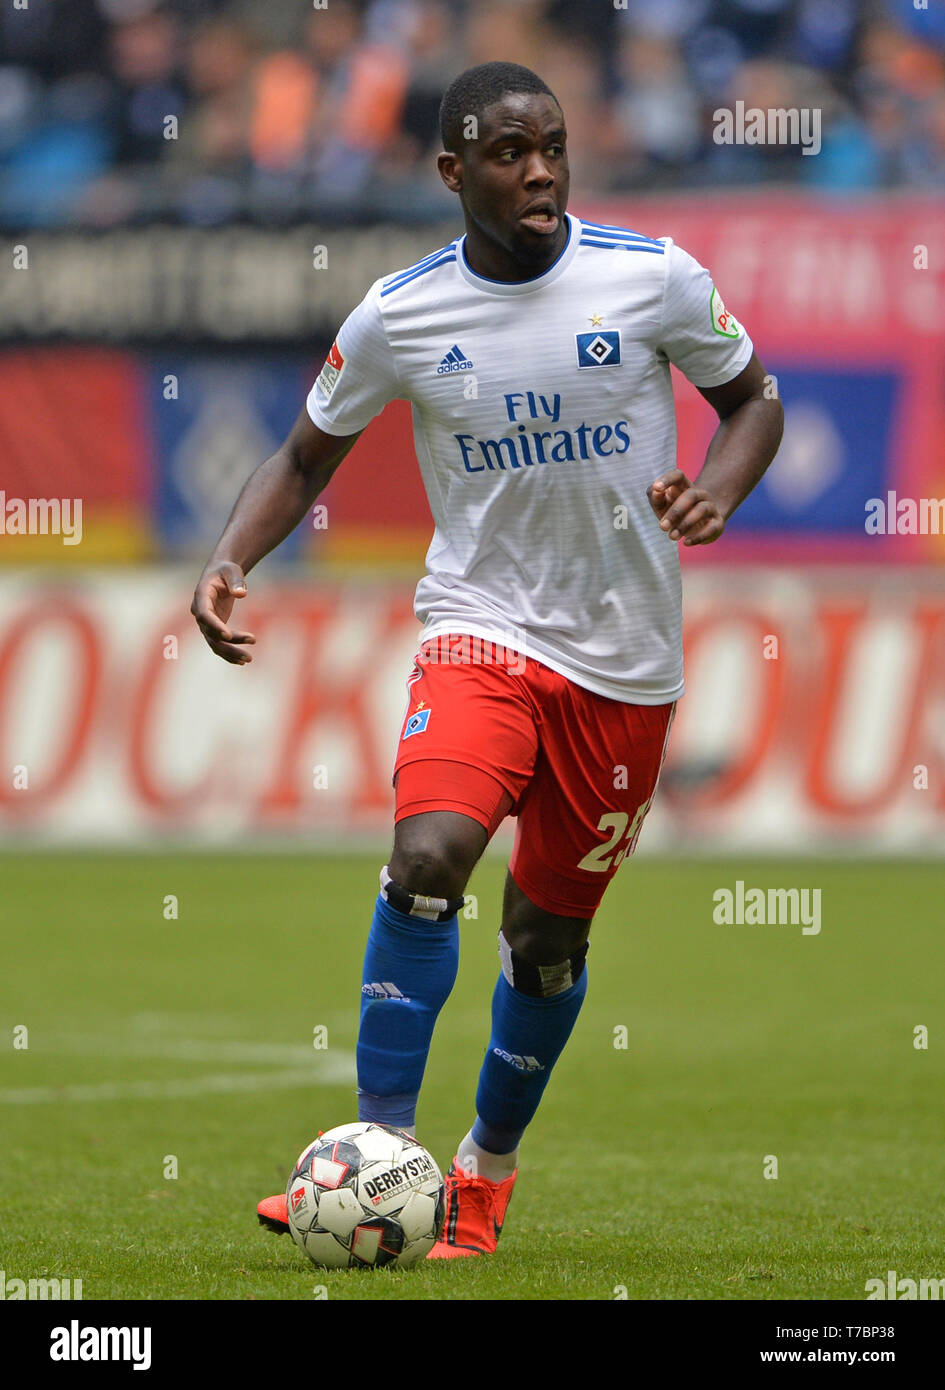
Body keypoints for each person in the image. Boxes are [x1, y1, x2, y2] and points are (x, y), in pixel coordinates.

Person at [191, 61, 783, 1259]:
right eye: (511, 153)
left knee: (545, 944)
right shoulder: (400, 314)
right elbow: (305, 457)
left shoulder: (650, 274)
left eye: (554, 145)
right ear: (454, 172)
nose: (542, 172)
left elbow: (756, 399)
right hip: (481, 628)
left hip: (624, 665)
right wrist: (231, 556)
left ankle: (484, 1173)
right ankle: (375, 1155)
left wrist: (717, 492)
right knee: (428, 858)